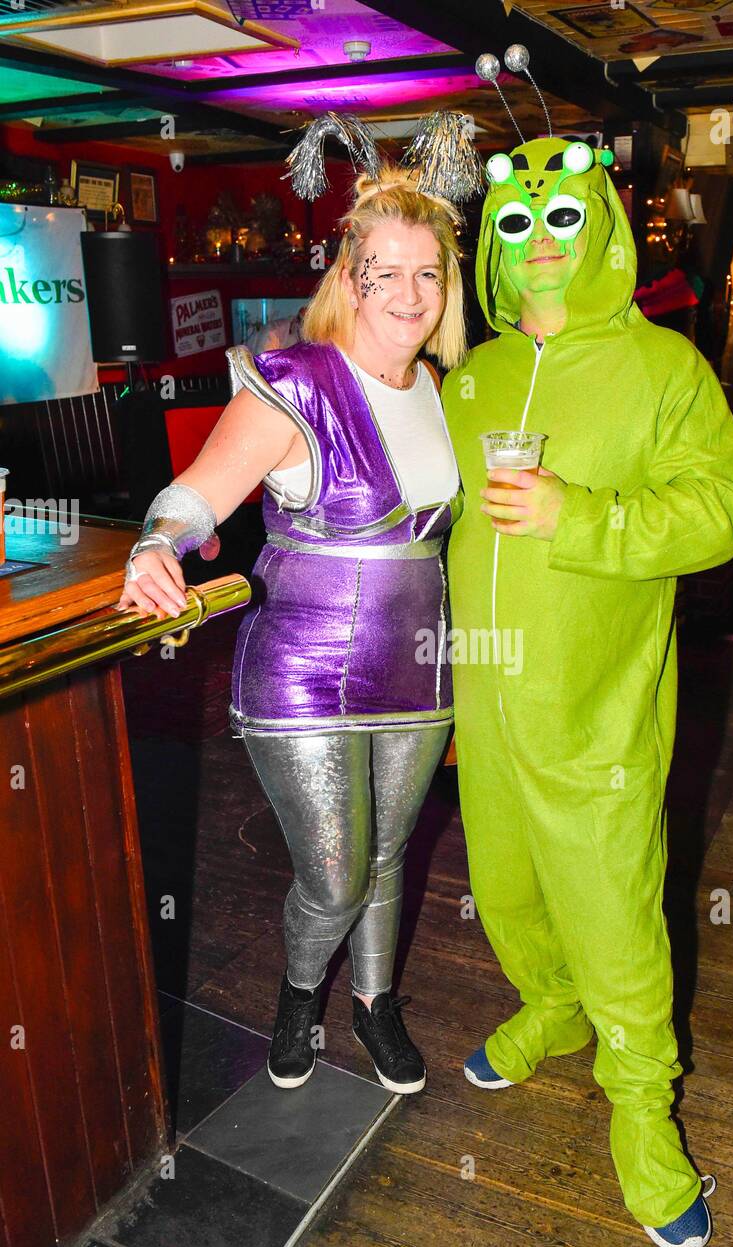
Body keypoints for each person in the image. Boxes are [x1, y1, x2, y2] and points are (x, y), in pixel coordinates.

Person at [442, 135, 733, 1247]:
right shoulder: (469, 376)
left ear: (606, 228)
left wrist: (586, 518)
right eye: (514, 225)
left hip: (600, 714)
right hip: (486, 706)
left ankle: (645, 1117)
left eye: (562, 218)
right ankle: (550, 1004)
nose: (538, 246)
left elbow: (722, 511)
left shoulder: (666, 367)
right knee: (507, 885)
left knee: (618, 915)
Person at [118, 156, 468, 1095]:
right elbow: (197, 494)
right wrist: (158, 544)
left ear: (449, 288)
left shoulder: (438, 389)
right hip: (303, 673)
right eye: (384, 271)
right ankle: (300, 995)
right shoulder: (298, 380)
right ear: (348, 280)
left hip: (418, 671)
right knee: (333, 876)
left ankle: (375, 1002)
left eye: (427, 273)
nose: (408, 292)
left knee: (390, 854)